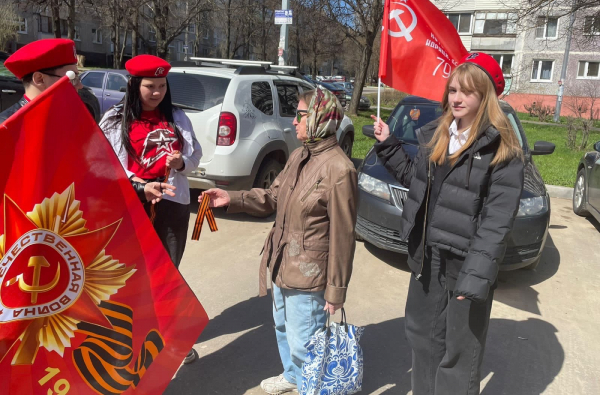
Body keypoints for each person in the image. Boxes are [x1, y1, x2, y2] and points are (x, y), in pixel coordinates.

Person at [371, 52, 524, 395]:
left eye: (466, 91)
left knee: (459, 355)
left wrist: (473, 279)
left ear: (485, 96)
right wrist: (389, 145)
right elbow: (417, 181)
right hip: (429, 258)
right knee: (423, 340)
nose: (456, 98)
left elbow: (496, 224)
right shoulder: (438, 135)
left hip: (466, 266)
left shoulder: (503, 150)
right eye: (453, 89)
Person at [200, 87, 358, 394]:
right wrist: (230, 198)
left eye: (299, 114)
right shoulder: (300, 155)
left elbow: (344, 236)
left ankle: (310, 387)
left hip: (310, 274)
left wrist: (336, 290)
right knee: (284, 329)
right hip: (282, 263)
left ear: (318, 119)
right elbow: (273, 196)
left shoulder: (340, 170)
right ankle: (293, 376)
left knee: (306, 342)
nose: (292, 121)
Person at [99, 55, 202, 364]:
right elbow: (105, 164)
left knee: (167, 273)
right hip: (131, 205)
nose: (156, 92)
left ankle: (170, 340)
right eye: (149, 86)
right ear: (134, 85)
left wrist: (180, 163)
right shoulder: (114, 119)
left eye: (161, 86)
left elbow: (195, 159)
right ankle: (128, 340)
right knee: (130, 274)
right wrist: (139, 184)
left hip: (172, 205)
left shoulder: (178, 118)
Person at [1, 39, 83, 123]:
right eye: (72, 78)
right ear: (39, 79)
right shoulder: (7, 129)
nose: (80, 86)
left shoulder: (67, 118)